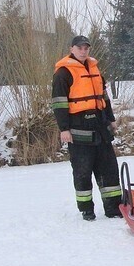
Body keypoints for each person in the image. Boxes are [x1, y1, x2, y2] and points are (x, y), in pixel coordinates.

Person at [51, 35, 121, 221]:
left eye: (86, 48)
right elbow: (59, 103)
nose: (83, 51)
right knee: (83, 170)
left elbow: (103, 98)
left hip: (100, 126)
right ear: (72, 49)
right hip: (78, 128)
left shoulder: (95, 69)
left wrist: (111, 119)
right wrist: (64, 128)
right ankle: (86, 209)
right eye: (80, 47)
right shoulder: (63, 73)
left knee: (109, 167)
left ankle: (113, 207)